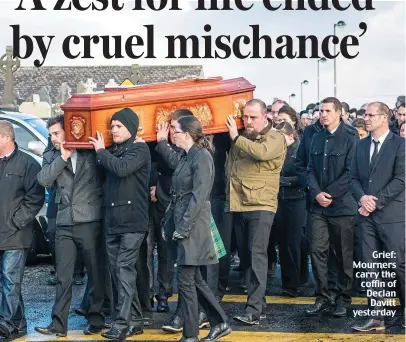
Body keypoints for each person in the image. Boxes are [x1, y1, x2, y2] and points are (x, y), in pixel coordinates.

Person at [156, 115, 231, 342]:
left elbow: (199, 197)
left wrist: (184, 226)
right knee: (194, 279)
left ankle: (190, 334)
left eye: (175, 131)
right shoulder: (186, 156)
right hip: (184, 224)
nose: (172, 135)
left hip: (193, 227)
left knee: (186, 280)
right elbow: (178, 195)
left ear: (187, 134)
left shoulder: (202, 157)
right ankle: (220, 322)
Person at [35, 115, 106, 337]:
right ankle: (58, 323)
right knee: (63, 276)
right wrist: (62, 157)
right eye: (51, 136)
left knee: (95, 274)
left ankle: (96, 318)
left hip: (90, 219)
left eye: (56, 133)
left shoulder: (89, 151)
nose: (53, 139)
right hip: (65, 221)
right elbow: (44, 180)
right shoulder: (51, 155)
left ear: (69, 131)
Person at [89, 108, 151, 340]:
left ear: (131, 129)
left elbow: (122, 169)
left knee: (124, 270)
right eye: (112, 126)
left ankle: (122, 323)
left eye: (119, 126)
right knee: (119, 273)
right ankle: (134, 320)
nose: (113, 130)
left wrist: (101, 151)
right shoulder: (114, 152)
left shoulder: (140, 149)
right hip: (113, 221)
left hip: (133, 222)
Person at [227, 99, 287, 325]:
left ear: (266, 117)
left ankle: (253, 310)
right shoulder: (245, 136)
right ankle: (258, 304)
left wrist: (235, 137)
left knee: (256, 257)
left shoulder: (275, 138)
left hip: (261, 205)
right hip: (241, 202)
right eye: (245, 117)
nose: (248, 121)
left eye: (253, 117)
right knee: (246, 258)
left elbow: (261, 153)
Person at [350, 102, 405, 331]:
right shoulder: (360, 145)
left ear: (384, 118)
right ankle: (376, 317)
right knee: (370, 267)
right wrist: (362, 198)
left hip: (392, 216)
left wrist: (375, 202)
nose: (366, 118)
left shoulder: (400, 144)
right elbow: (352, 177)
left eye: (371, 115)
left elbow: (401, 180)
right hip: (366, 217)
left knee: (398, 265)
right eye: (365, 114)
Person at [305, 97, 359, 317]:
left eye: (327, 110)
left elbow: (352, 172)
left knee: (343, 254)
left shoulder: (351, 136)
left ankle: (343, 299)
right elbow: (309, 169)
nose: (323, 114)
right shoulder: (316, 137)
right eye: (321, 111)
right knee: (317, 251)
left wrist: (330, 194)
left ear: (339, 113)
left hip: (343, 205)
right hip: (319, 207)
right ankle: (323, 297)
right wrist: (317, 193)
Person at [0, 121, 45, 338]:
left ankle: (6, 324)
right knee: (8, 282)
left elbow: (34, 199)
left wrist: (15, 222)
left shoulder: (27, 164)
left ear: (6, 138)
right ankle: (18, 326)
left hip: (16, 235)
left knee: (10, 280)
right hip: (3, 232)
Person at [273, 122, 307, 297]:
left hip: (297, 199)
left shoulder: (299, 150)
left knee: (293, 242)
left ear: (290, 136)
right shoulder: (279, 151)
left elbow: (302, 176)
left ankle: (295, 281)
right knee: (283, 242)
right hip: (280, 199)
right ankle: (289, 282)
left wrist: (281, 181)